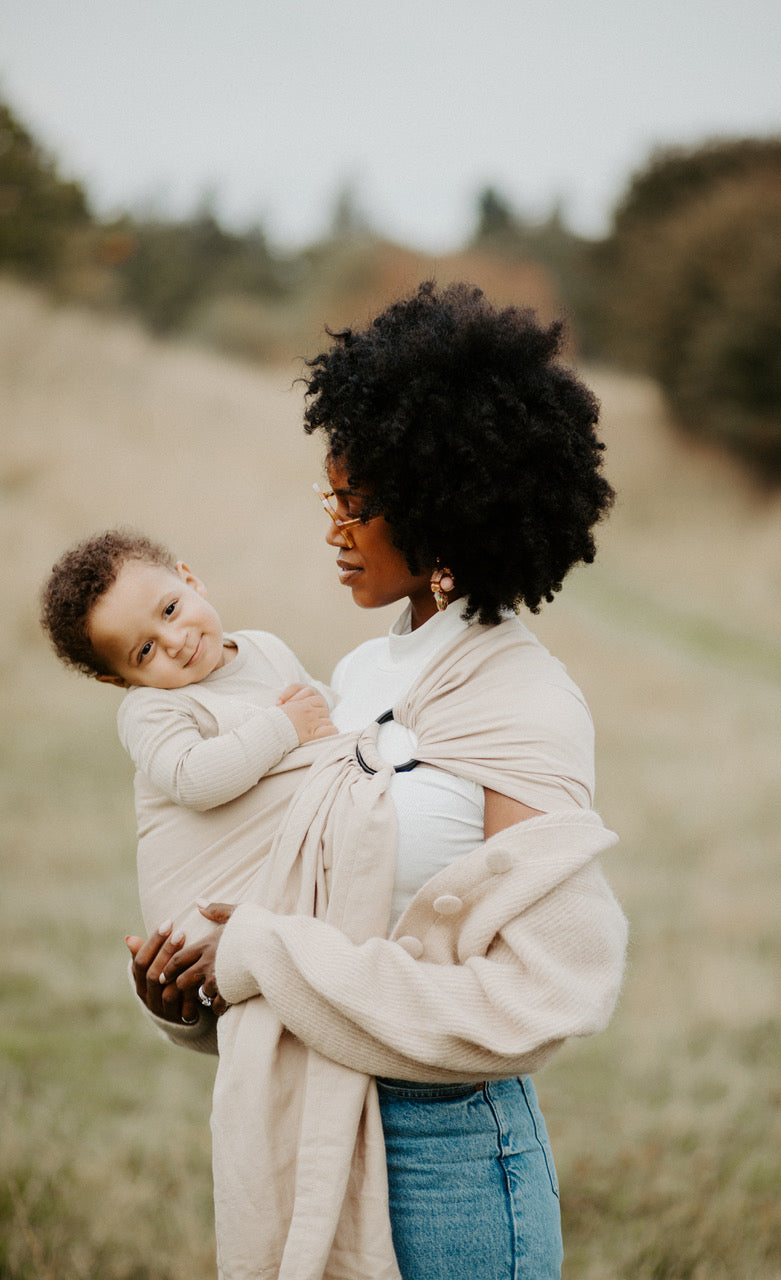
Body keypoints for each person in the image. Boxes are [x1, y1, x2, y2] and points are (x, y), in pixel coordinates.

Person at [127, 281, 629, 1280]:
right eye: (331, 499)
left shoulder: (523, 704)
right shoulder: (356, 678)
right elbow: (302, 913)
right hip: (312, 1125)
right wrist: (195, 980)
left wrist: (263, 949)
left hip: (450, 1161)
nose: (333, 529)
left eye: (356, 505)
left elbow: (539, 994)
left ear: (445, 519)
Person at [40, 530, 336, 1029]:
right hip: (204, 918)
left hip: (278, 885)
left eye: (171, 610)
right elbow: (192, 777)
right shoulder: (150, 708)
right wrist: (284, 727)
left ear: (190, 579)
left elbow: (323, 719)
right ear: (120, 680)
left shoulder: (265, 648)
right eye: (145, 651)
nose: (175, 643)